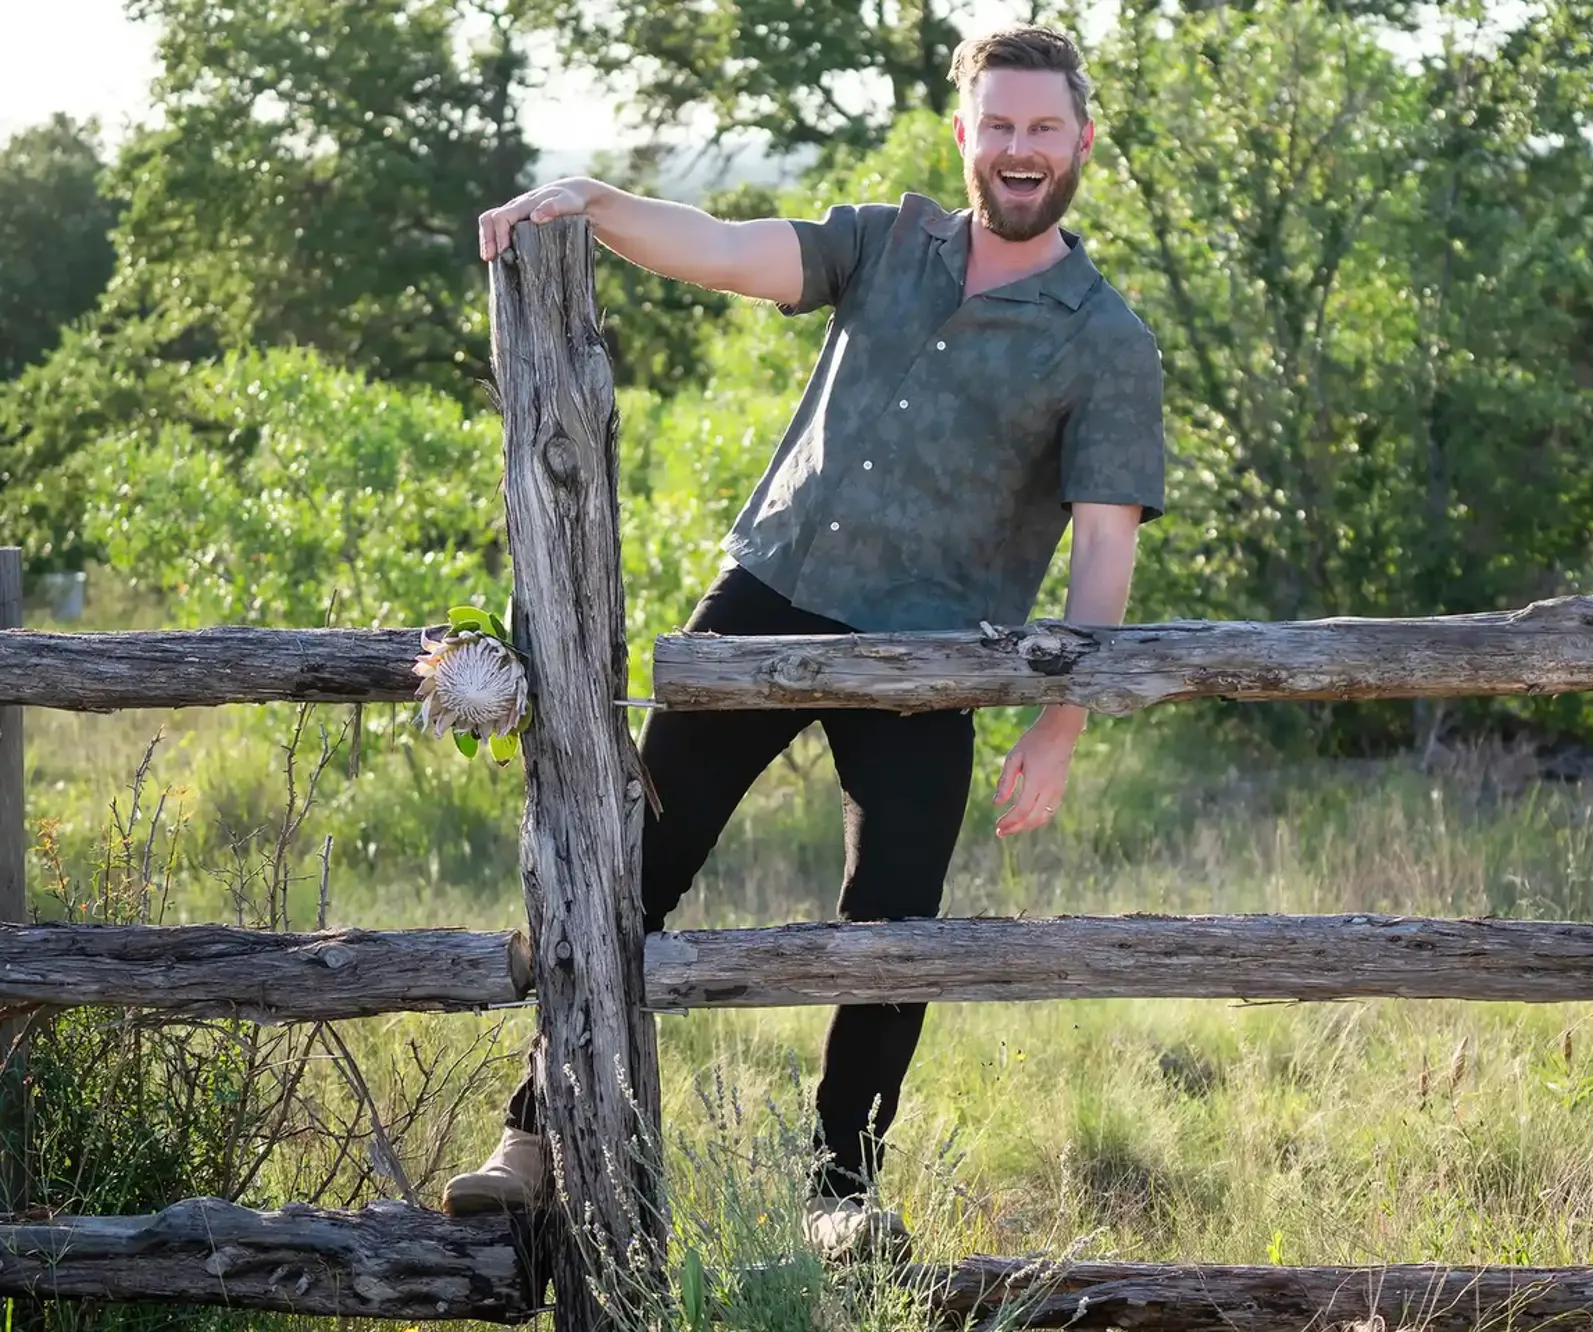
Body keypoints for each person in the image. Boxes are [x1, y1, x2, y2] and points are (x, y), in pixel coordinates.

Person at [443, 22, 1167, 1261]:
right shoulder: (883, 242)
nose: (1018, 148)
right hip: (766, 600)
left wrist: (1060, 721)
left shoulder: (1103, 338)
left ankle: (838, 1190)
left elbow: (1104, 547)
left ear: (1082, 141)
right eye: (997, 124)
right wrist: (597, 200)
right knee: (634, 864)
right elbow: (726, 250)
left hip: (929, 657)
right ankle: (534, 1138)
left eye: (1043, 126)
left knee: (892, 930)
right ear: (963, 135)